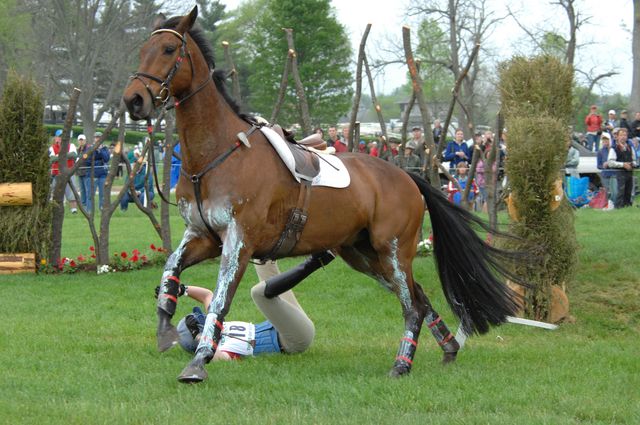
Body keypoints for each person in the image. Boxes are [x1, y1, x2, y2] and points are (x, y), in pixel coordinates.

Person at [172, 252, 335, 359]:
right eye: (204, 322)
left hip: (287, 326)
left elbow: (207, 295)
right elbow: (217, 358)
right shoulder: (222, 349)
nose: (208, 319)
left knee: (262, 260)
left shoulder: (217, 325)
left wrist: (181, 289)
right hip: (294, 341)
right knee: (258, 293)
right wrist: (199, 338)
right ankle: (316, 261)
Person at [49, 129, 78, 213]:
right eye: (59, 137)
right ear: (56, 138)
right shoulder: (52, 148)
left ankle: (74, 210)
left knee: (72, 192)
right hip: (56, 173)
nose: (61, 138)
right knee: (55, 193)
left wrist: (59, 156)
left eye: (62, 136)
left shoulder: (71, 145)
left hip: (69, 172)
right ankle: (55, 210)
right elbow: (52, 159)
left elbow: (74, 155)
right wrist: (66, 156)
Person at [607, 127, 636, 208]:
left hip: (629, 172)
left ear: (627, 137)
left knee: (628, 191)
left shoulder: (630, 147)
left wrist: (632, 164)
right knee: (620, 192)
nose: (623, 137)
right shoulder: (614, 148)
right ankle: (618, 208)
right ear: (618, 137)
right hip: (619, 173)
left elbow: (634, 160)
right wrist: (623, 165)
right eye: (621, 135)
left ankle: (627, 207)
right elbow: (610, 162)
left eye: (625, 135)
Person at [84, 132, 111, 212]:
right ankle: (89, 211)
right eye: (96, 137)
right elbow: (87, 160)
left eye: (99, 137)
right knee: (90, 195)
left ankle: (102, 210)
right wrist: (98, 161)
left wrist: (100, 150)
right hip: (91, 174)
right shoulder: (89, 148)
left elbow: (106, 159)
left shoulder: (105, 149)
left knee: (102, 194)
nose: (98, 139)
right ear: (94, 138)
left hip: (102, 175)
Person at [596, 132, 616, 206]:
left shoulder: (614, 149)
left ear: (610, 140)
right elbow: (598, 165)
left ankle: (615, 204)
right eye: (603, 141)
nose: (605, 142)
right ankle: (608, 205)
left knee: (615, 191)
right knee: (607, 191)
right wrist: (603, 166)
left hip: (614, 174)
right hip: (605, 175)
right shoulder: (600, 152)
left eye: (607, 140)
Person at [75, 134, 89, 210]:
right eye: (80, 140)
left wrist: (79, 159)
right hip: (79, 172)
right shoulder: (77, 150)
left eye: (82, 140)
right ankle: (83, 204)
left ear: (85, 140)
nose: (81, 141)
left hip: (86, 172)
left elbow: (85, 157)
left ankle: (87, 205)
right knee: (82, 189)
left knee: (87, 189)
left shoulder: (87, 149)